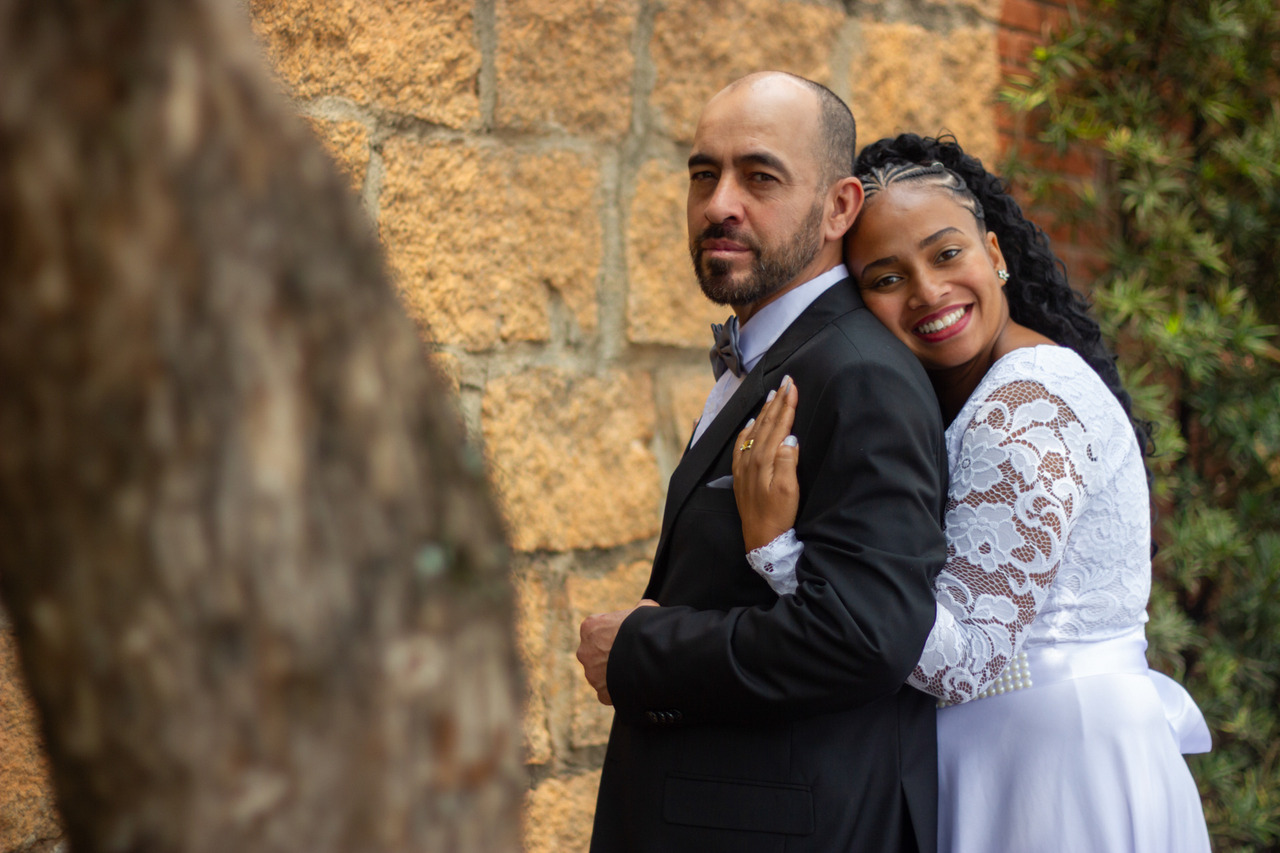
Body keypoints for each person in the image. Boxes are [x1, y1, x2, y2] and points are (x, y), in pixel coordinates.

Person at [732, 133, 1213, 853]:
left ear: (994, 251)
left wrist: (780, 551)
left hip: (1051, 773)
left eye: (946, 253)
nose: (928, 291)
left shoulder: (1027, 402)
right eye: (886, 278)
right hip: (1018, 753)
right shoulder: (984, 390)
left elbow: (965, 660)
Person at [574, 73, 948, 852]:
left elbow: (865, 637)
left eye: (760, 176)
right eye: (704, 174)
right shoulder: (776, 355)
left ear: (839, 207)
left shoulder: (860, 375)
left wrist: (644, 654)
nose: (719, 204)